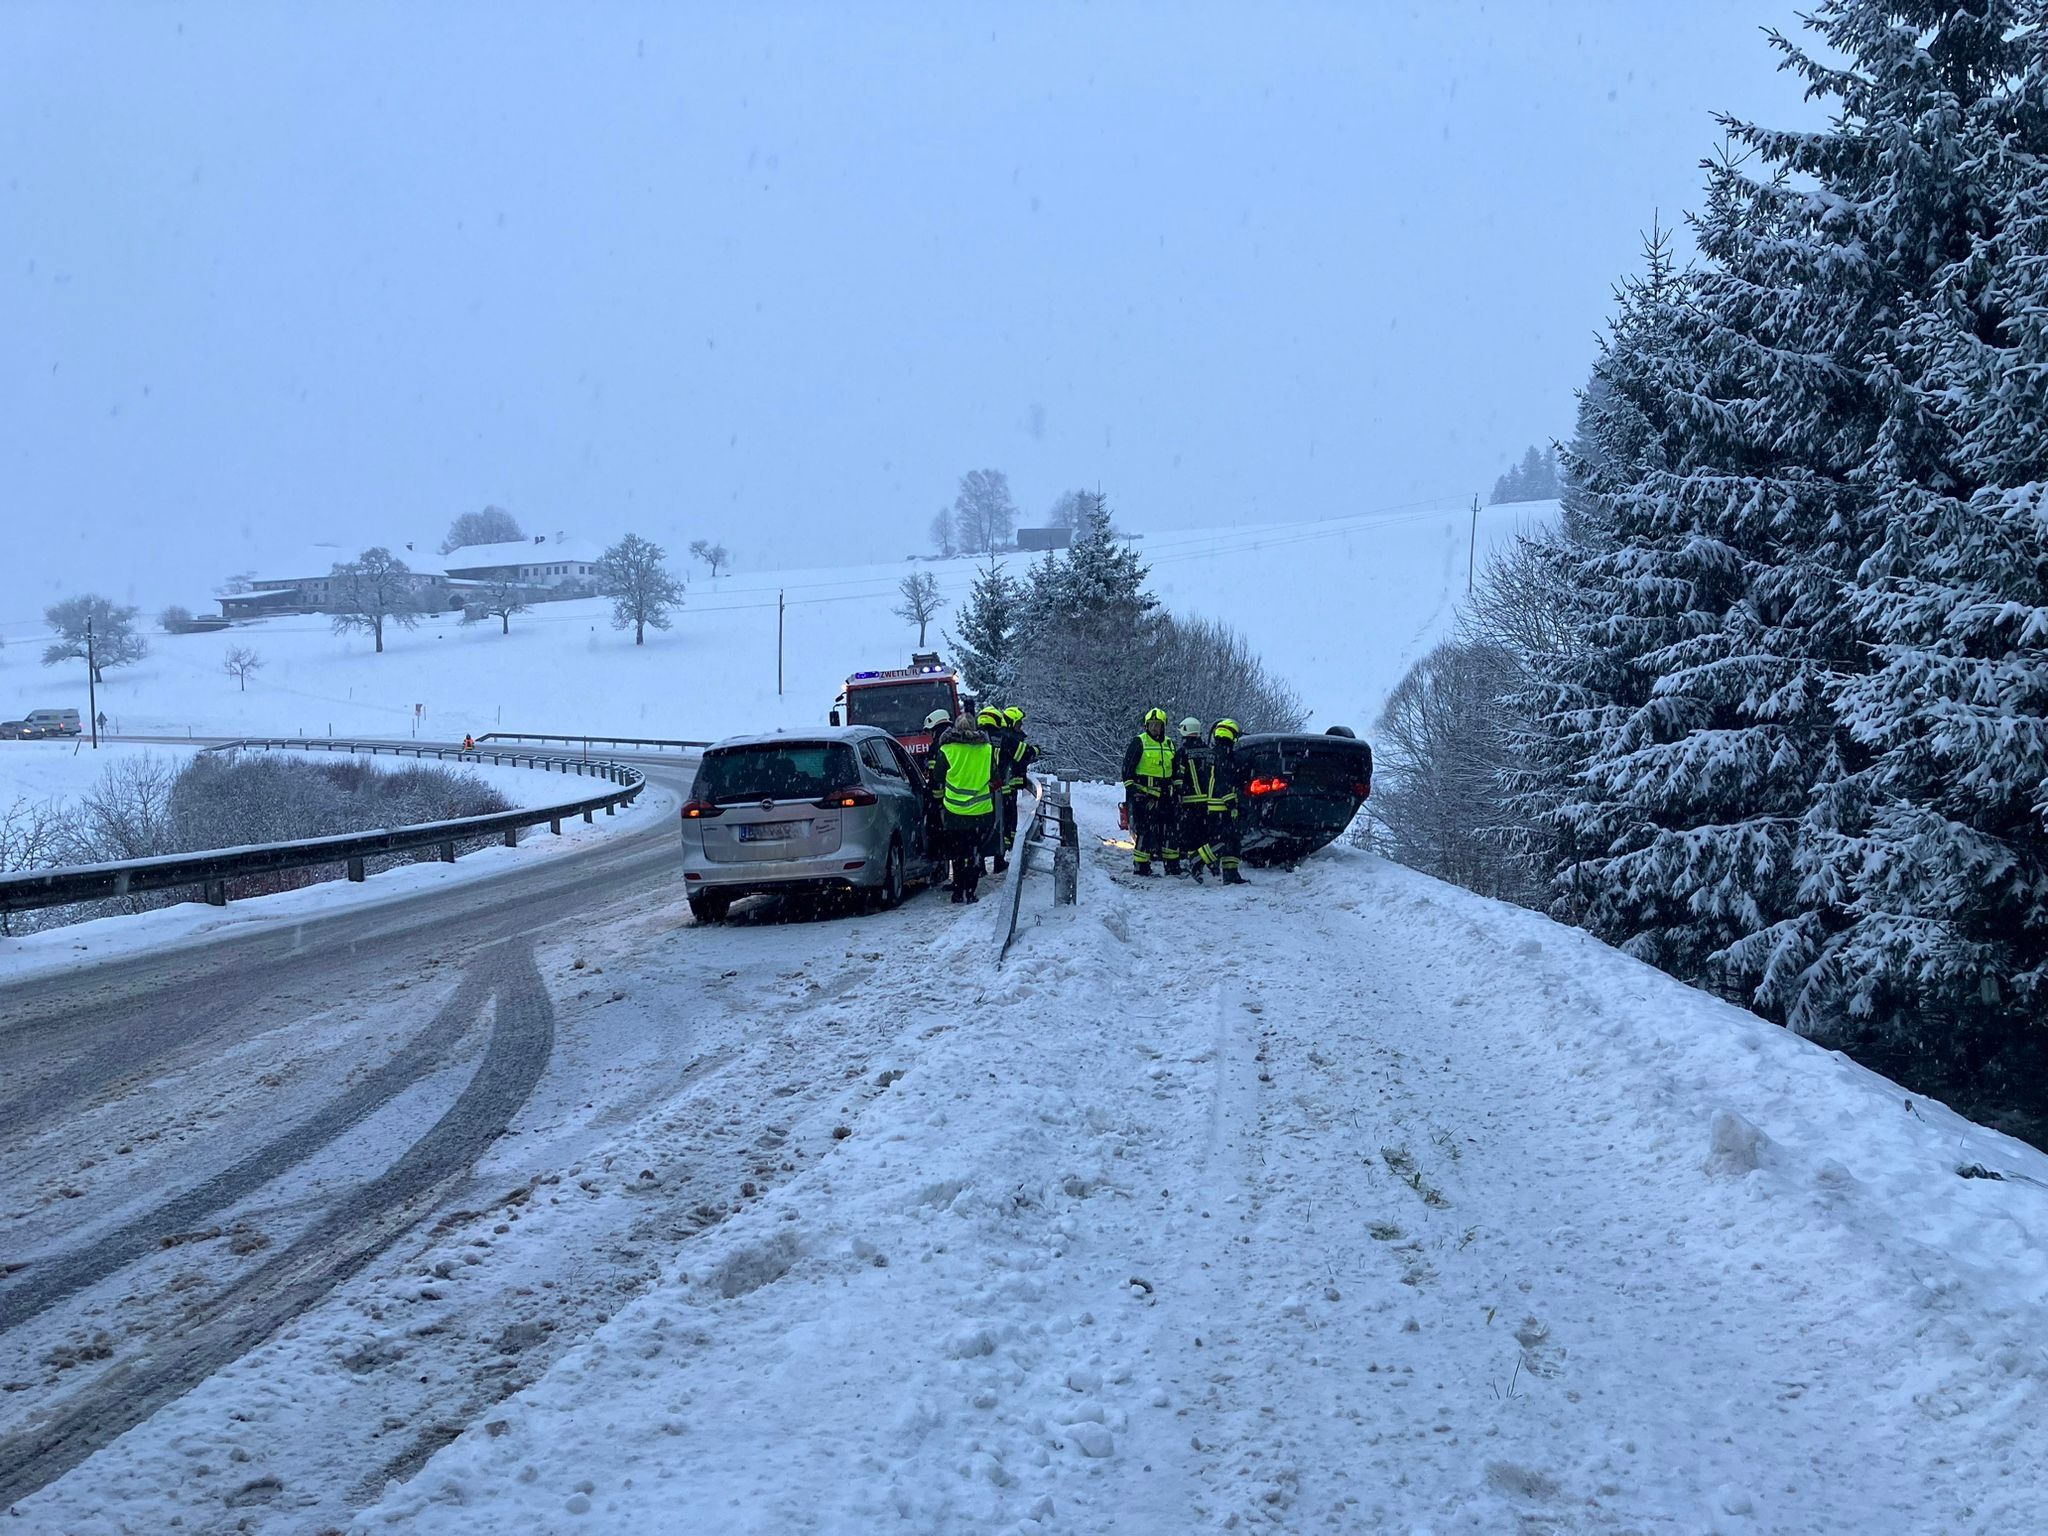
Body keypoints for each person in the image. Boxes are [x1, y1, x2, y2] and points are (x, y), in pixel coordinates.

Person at [934, 709, 997, 902]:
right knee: (975, 851)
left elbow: (937, 778)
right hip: (981, 812)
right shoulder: (987, 750)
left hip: (954, 812)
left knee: (958, 853)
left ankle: (957, 891)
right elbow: (995, 778)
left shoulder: (946, 751)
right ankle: (971, 891)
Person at [1119, 707, 1179, 876]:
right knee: (1145, 831)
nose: (1154, 728)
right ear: (1146, 726)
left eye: (1158, 724)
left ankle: (1172, 866)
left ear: (1163, 726)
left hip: (1165, 796)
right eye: (1151, 724)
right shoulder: (1140, 741)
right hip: (1143, 795)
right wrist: (1132, 792)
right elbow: (1127, 768)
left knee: (1168, 830)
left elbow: (1175, 770)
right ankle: (1141, 866)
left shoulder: (1169, 744)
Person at [1199, 717, 1248, 884]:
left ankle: (1230, 873)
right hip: (1221, 807)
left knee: (1232, 840)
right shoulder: (1224, 755)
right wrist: (1231, 803)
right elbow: (1223, 780)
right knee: (1225, 840)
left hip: (1214, 806)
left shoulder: (1214, 753)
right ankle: (1196, 859)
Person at [999, 705, 1040, 864]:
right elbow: (1024, 753)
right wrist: (1036, 750)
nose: (1020, 726)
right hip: (1006, 788)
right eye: (1019, 723)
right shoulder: (1009, 738)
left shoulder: (1005, 736)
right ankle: (1006, 853)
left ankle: (1005, 852)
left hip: (1006, 788)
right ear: (1011, 723)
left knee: (1005, 820)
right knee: (1008, 821)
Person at [1173, 717, 1211, 881]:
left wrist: (1178, 793)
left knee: (1190, 834)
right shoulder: (1208, 750)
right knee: (1205, 833)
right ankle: (1206, 863)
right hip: (1209, 802)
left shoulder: (1183, 752)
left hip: (1190, 801)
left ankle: (1192, 862)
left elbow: (1178, 776)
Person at [976, 705, 1010, 873]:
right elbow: (1015, 755)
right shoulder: (1002, 737)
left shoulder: (976, 738)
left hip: (979, 789)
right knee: (998, 825)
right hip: (999, 788)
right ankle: (999, 860)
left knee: (980, 827)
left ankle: (979, 864)